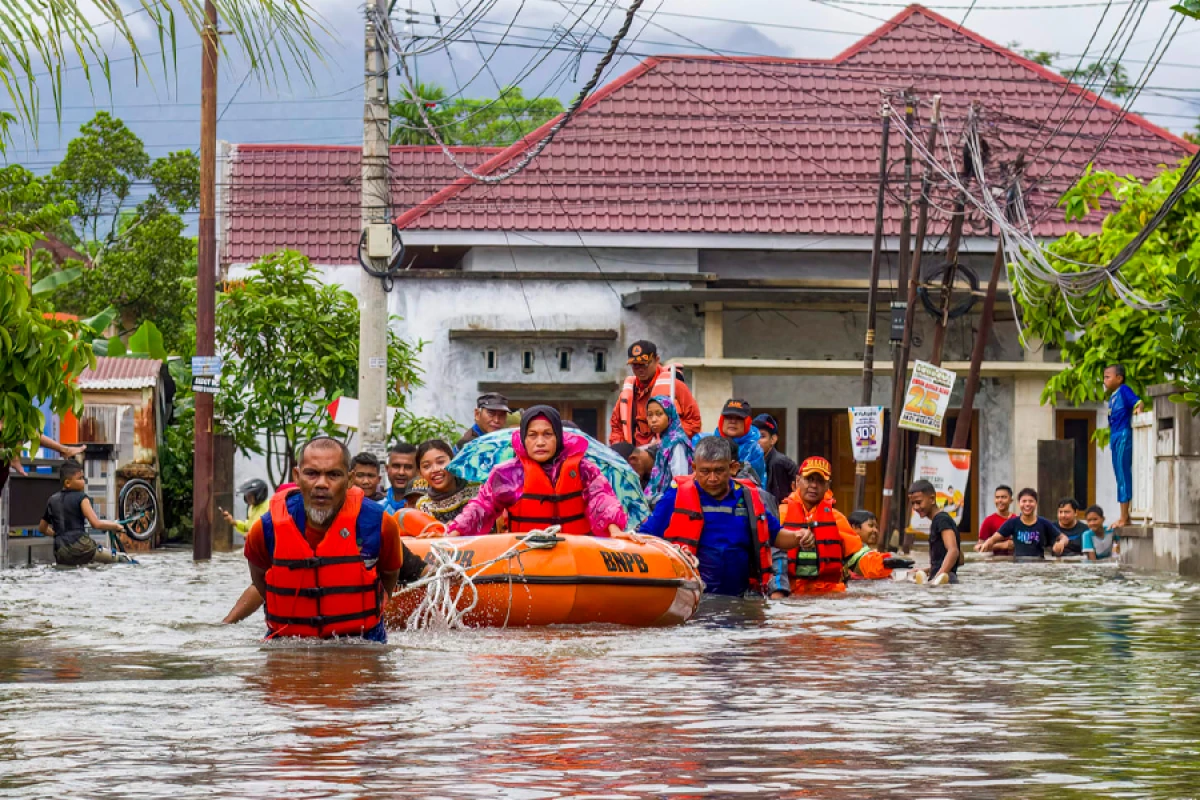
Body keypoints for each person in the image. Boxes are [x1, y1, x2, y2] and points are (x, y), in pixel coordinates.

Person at [239, 436, 425, 641]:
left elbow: (390, 574)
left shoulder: (380, 524)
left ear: (349, 480)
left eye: (333, 475)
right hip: (289, 645)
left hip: (361, 643)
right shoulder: (266, 529)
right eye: (311, 474)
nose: (321, 484)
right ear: (297, 476)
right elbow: (260, 578)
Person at [638, 436, 789, 597]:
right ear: (694, 468)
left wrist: (801, 536)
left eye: (719, 471)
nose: (712, 478)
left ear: (732, 468)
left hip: (740, 599)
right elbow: (645, 538)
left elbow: (777, 536)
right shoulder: (675, 498)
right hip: (692, 597)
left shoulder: (748, 499)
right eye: (705, 471)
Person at [449, 406, 627, 537]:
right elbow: (482, 506)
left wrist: (614, 529)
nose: (540, 442)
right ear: (524, 439)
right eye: (533, 435)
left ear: (558, 437)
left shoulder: (583, 468)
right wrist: (455, 531)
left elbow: (601, 498)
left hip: (577, 552)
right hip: (527, 554)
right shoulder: (507, 474)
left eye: (547, 434)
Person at [778, 458, 906, 594]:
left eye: (820, 481)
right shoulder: (780, 514)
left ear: (828, 486)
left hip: (829, 596)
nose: (814, 485)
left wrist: (883, 563)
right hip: (789, 594)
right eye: (809, 479)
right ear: (798, 481)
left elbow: (857, 557)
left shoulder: (837, 519)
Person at [609, 340, 701, 446]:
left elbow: (694, 422)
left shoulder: (674, 386)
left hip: (667, 453)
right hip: (636, 457)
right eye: (635, 365)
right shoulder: (628, 392)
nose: (640, 370)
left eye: (644, 364)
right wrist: (620, 449)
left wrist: (668, 440)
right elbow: (616, 426)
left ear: (657, 360)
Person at [37, 461, 120, 565]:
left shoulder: (52, 500)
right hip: (82, 547)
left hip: (60, 551)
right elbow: (96, 523)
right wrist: (115, 526)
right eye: (80, 478)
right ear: (67, 483)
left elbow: (42, 528)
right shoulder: (82, 498)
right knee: (120, 560)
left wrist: (58, 535)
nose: (83, 481)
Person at [977, 488, 1068, 560]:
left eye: (1031, 501)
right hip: (1018, 564)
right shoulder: (1013, 523)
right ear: (1019, 503)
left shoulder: (1043, 523)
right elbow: (993, 539)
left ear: (1036, 503)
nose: (1027, 504)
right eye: (1024, 501)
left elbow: (1064, 537)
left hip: (1039, 563)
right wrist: (987, 543)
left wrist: (1061, 543)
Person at [694, 399, 767, 485]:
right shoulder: (702, 443)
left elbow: (755, 484)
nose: (733, 421)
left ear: (747, 422)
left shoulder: (754, 451)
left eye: (739, 418)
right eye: (728, 417)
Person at [1104, 364, 1141, 528]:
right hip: (1114, 436)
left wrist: (1138, 410)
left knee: (1123, 475)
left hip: (1123, 435)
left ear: (1119, 378)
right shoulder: (1112, 397)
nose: (1105, 380)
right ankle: (1124, 515)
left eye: (1108, 377)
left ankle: (1124, 517)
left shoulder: (1124, 390)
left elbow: (1137, 402)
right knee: (1119, 476)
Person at [414, 439, 481, 525]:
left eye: (441, 462)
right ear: (420, 473)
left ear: (453, 462)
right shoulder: (423, 505)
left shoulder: (477, 489)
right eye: (426, 466)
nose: (435, 469)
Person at [908, 480, 962, 584]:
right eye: (913, 503)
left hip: (945, 581)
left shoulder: (941, 520)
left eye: (918, 502)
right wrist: (927, 570)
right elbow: (960, 559)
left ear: (932, 499)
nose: (915, 507)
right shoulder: (943, 519)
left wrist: (935, 580)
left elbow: (953, 551)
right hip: (946, 578)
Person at [644, 395, 694, 506]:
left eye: (659, 414)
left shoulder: (677, 442)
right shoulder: (665, 441)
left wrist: (662, 501)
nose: (653, 419)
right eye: (649, 415)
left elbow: (680, 480)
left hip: (672, 503)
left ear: (669, 415)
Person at [753, 413, 797, 504]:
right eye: (754, 435)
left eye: (762, 436)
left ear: (773, 439)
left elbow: (777, 502)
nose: (757, 440)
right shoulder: (755, 461)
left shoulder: (778, 463)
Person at [976, 485, 1016, 555]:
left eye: (1004, 497)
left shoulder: (1016, 519)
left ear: (1011, 500)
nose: (1000, 500)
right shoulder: (989, 521)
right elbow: (979, 546)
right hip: (994, 562)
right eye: (997, 497)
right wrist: (1002, 545)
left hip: (1015, 561)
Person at [382, 442, 418, 513]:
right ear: (387, 469)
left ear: (418, 471)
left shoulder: (426, 507)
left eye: (408, 467)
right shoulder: (378, 507)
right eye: (396, 466)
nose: (401, 472)